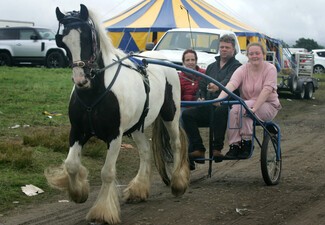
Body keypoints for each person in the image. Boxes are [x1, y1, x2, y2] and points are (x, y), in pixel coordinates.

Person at [182, 34, 241, 169]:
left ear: (233, 49)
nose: (224, 49)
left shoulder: (237, 66)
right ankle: (199, 148)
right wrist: (200, 96)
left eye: (227, 47)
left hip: (228, 105)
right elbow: (202, 84)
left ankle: (217, 149)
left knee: (220, 110)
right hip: (209, 105)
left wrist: (218, 87)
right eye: (222, 47)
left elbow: (230, 81)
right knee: (187, 114)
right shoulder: (211, 66)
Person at [214, 42, 282, 159]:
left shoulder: (270, 69)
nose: (254, 56)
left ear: (263, 55)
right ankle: (234, 145)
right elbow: (232, 84)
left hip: (268, 105)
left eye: (257, 53)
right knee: (233, 110)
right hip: (245, 104)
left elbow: (266, 90)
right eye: (251, 54)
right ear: (247, 56)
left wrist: (254, 109)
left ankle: (247, 142)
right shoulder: (243, 69)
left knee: (244, 109)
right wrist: (220, 98)